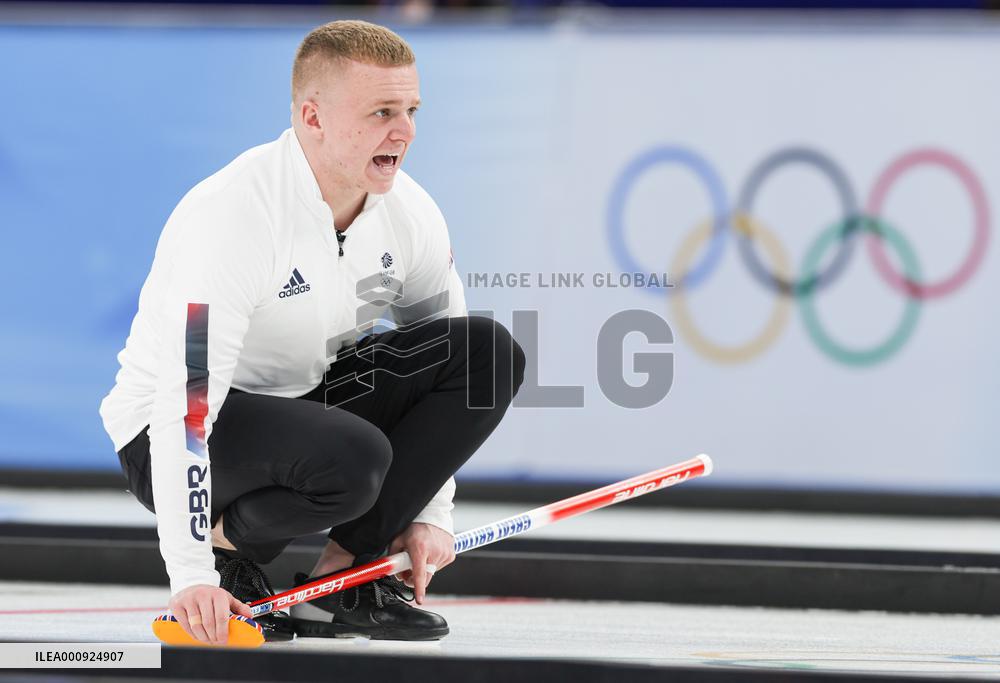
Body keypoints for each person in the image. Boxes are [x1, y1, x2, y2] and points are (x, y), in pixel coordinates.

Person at [99, 19, 525, 645]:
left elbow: (445, 356)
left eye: (410, 109)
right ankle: (228, 556)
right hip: (175, 427)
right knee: (353, 457)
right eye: (382, 111)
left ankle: (349, 576)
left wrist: (427, 515)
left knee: (487, 352)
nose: (403, 131)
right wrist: (190, 573)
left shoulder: (411, 213)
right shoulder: (233, 218)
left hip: (306, 401)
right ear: (313, 117)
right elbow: (186, 409)